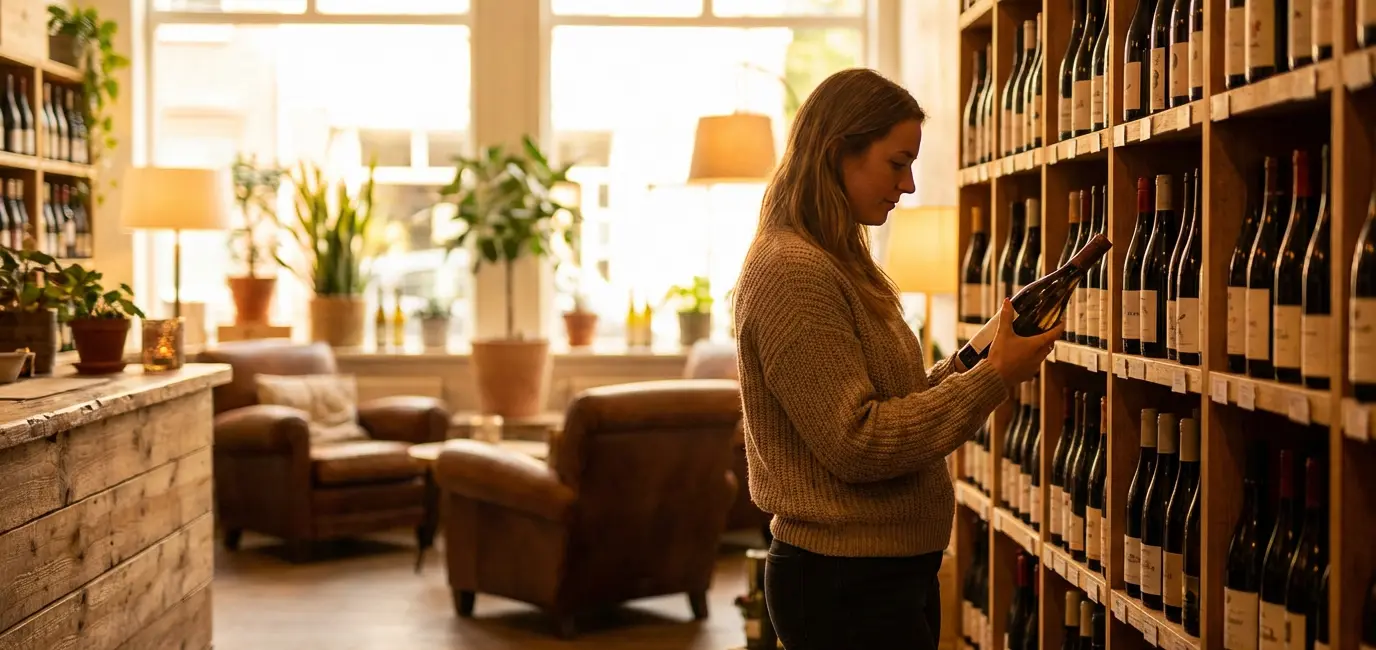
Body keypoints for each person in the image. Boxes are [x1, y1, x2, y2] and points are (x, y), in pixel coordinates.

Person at [733, 68, 1061, 650]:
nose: (908, 185)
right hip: (844, 585)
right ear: (840, 153)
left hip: (879, 575)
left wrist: (975, 355)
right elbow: (857, 441)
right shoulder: (793, 272)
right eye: (897, 162)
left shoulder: (838, 261)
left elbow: (890, 401)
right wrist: (993, 378)